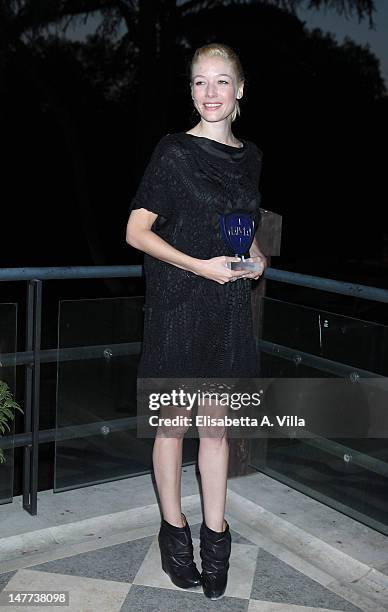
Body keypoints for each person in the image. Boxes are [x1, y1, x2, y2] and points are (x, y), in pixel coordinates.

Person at [126, 42, 267, 600]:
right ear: (190, 91)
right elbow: (137, 232)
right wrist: (199, 268)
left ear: (239, 91)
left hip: (228, 313)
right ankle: (174, 531)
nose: (210, 93)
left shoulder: (251, 156)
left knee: (216, 430)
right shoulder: (173, 152)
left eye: (221, 81)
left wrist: (257, 260)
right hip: (177, 308)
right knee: (171, 428)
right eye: (199, 82)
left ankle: (216, 533)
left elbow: (243, 226)